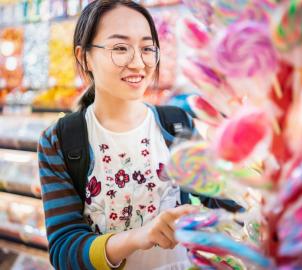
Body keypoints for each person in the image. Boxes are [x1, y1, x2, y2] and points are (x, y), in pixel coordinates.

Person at [38, 1, 200, 269]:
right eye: (120, 48)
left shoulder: (178, 125)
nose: (138, 63)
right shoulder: (60, 141)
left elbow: (219, 204)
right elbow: (64, 250)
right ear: (84, 57)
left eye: (147, 48)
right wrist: (139, 236)